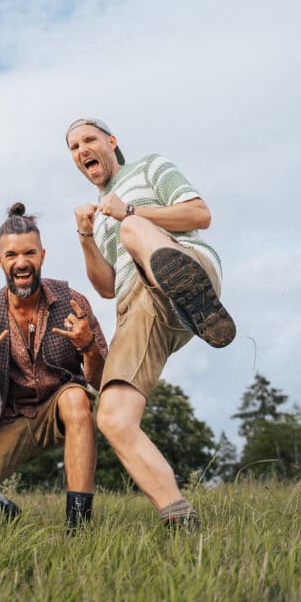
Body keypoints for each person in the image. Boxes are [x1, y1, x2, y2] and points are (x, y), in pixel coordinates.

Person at [66, 117, 236, 529]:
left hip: (185, 262)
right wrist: (86, 235)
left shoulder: (150, 167)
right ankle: (179, 516)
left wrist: (130, 211)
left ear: (111, 141)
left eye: (89, 139)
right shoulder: (98, 213)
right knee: (112, 416)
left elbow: (200, 214)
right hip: (137, 305)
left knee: (134, 231)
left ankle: (190, 292)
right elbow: (106, 288)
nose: (82, 149)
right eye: (73, 147)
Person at [0, 203, 108, 531]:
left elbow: (101, 381)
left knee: (76, 399)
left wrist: (88, 347)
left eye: (29, 253)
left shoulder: (73, 302)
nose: (22, 263)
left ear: (42, 255)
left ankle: (79, 525)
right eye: (12, 255)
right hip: (13, 414)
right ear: (0, 261)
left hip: (62, 404)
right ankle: (5, 512)